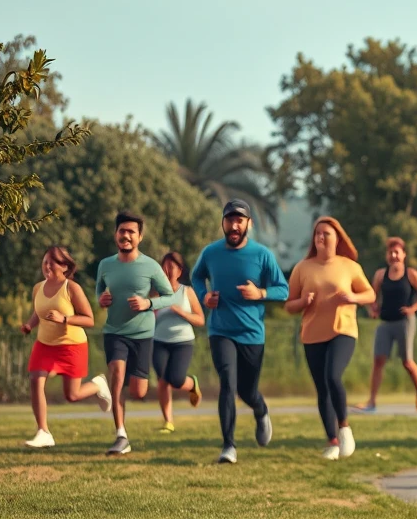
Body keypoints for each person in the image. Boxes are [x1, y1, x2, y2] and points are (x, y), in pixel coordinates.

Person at [191, 199, 289, 464]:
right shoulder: (211, 253)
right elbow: (196, 276)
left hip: (252, 334)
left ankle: (261, 410)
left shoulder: (262, 254)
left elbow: (284, 289)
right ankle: (229, 445)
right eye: (230, 220)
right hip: (220, 330)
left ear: (249, 224)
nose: (234, 225)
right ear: (223, 223)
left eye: (239, 220)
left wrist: (261, 292)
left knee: (247, 391)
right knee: (228, 384)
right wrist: (204, 296)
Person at [285, 216, 375, 460]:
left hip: (343, 330)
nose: (321, 237)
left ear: (337, 238)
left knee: (332, 375)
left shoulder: (349, 266)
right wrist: (303, 302)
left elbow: (370, 294)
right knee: (322, 388)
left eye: (326, 233)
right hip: (312, 334)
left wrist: (352, 298)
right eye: (317, 234)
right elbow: (289, 305)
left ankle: (344, 427)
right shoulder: (303, 268)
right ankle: (332, 441)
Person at [96, 211, 175, 455]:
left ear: (140, 237)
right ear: (116, 235)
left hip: (142, 335)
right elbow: (99, 291)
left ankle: (115, 393)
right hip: (115, 332)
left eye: (131, 232)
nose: (126, 235)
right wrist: (102, 299)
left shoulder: (150, 266)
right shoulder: (105, 265)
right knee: (117, 375)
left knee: (139, 391)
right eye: (122, 231)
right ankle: (121, 434)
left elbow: (170, 296)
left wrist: (147, 304)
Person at [20, 246, 112, 448]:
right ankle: (43, 432)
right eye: (44, 262)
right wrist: (29, 325)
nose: (47, 266)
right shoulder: (38, 288)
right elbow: (38, 312)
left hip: (72, 346)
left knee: (72, 395)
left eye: (51, 262)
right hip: (44, 344)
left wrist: (65, 319)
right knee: (35, 379)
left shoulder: (71, 288)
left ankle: (98, 385)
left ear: (64, 266)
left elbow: (89, 319)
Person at [355, 237, 417, 413]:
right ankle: (372, 402)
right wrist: (372, 310)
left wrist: (413, 308)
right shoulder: (380, 275)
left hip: (404, 322)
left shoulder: (411, 274)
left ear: (404, 255)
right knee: (378, 361)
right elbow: (371, 296)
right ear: (387, 255)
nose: (394, 255)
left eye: (397, 252)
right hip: (385, 322)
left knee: (407, 361)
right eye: (390, 252)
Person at [152, 251, 205, 434]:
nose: (166, 270)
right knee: (162, 380)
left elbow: (200, 319)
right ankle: (168, 422)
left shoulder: (187, 292)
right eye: (163, 266)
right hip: (159, 341)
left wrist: (180, 311)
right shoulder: (155, 293)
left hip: (183, 342)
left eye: (171, 267)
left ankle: (192, 384)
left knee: (175, 379)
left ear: (179, 271)